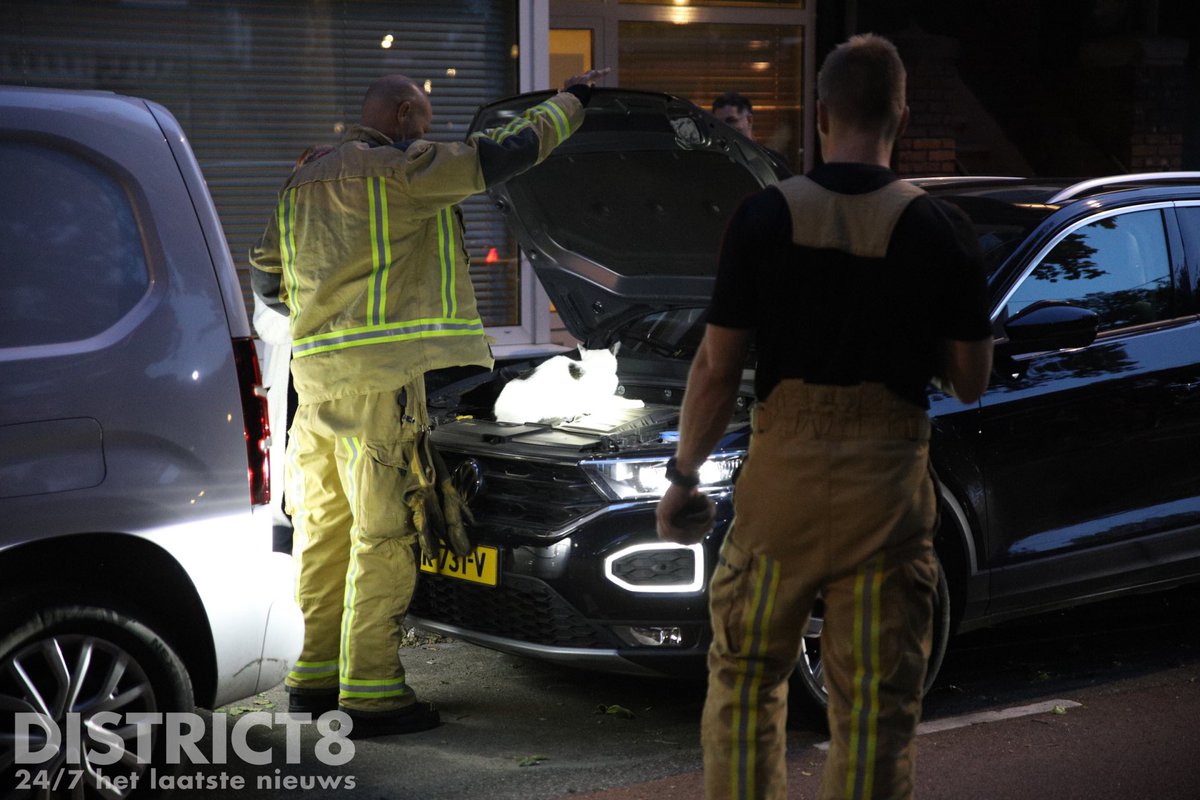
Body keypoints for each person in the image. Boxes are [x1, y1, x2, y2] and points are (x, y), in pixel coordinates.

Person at [658, 34, 993, 799]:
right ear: (900, 116)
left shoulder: (763, 218)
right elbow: (972, 380)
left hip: (783, 490)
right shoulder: (939, 230)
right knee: (876, 705)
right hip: (886, 492)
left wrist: (682, 479)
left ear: (819, 116)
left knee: (745, 679)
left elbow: (715, 369)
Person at [250, 67, 608, 738]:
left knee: (323, 537)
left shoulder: (303, 180)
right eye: (426, 116)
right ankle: (375, 695)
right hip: (380, 386)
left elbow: (267, 279)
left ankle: (314, 680)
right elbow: (502, 156)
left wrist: (324, 324)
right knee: (383, 537)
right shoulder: (404, 172)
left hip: (315, 385)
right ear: (407, 115)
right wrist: (572, 101)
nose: (430, 129)